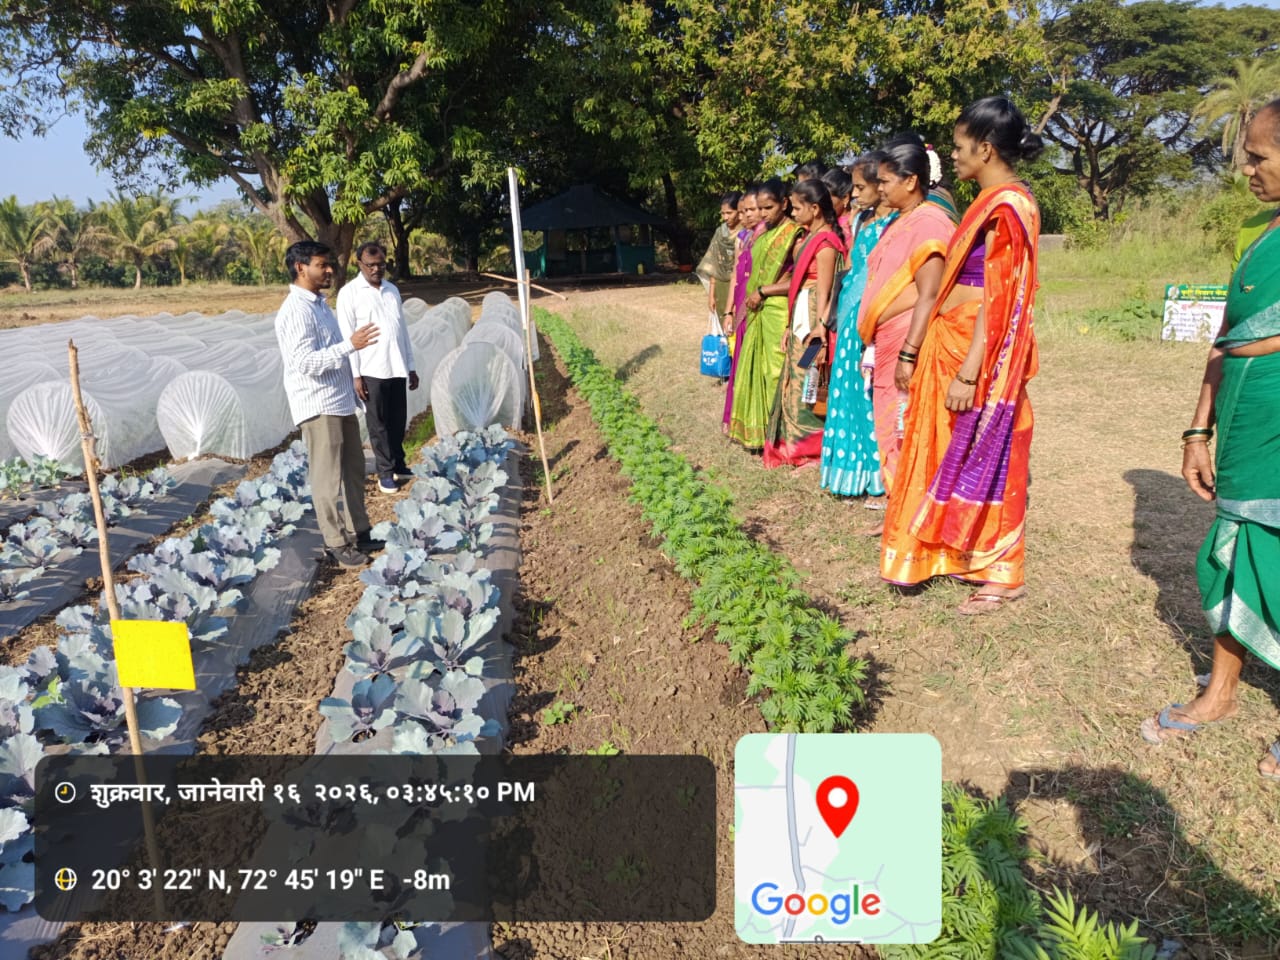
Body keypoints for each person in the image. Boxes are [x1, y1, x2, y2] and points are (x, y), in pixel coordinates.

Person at [1139, 99, 1280, 781]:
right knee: (1235, 548)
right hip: (1244, 421)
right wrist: (1198, 428)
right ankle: (1221, 691)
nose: (1247, 170)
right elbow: (1227, 337)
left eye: (1258, 157)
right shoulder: (1259, 233)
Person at [879, 97, 1043, 612]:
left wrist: (971, 371)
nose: (951, 156)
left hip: (975, 351)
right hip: (950, 340)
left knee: (986, 451)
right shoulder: (986, 201)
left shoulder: (1009, 207)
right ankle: (945, 551)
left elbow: (1002, 296)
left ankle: (1001, 570)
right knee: (944, 449)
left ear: (986, 148)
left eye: (958, 146)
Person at [856, 137, 955, 500]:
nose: (880, 188)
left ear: (911, 180)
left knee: (905, 426)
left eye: (885, 181)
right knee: (891, 426)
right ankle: (898, 507)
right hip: (888, 338)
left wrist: (908, 354)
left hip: (907, 339)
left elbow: (930, 293)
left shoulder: (930, 223)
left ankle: (910, 510)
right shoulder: (902, 220)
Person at [275, 240, 380, 568]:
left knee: (353, 470)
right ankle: (336, 543)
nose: (330, 270)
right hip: (319, 405)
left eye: (330, 264)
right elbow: (305, 362)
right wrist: (349, 345)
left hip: (339, 401)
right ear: (301, 268)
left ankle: (359, 531)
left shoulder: (320, 306)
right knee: (327, 477)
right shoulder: (296, 310)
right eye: (322, 265)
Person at [820, 152, 896, 498]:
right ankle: (851, 474)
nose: (854, 194)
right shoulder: (862, 219)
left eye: (861, 187)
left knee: (870, 392)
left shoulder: (897, 223)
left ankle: (879, 476)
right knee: (848, 389)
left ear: (882, 185)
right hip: (851, 310)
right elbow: (852, 266)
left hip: (875, 313)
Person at [763, 179, 847, 468]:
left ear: (815, 208)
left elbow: (825, 292)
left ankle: (810, 450)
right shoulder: (811, 237)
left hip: (814, 320)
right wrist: (789, 326)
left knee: (809, 378)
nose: (793, 213)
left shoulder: (826, 244)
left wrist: (820, 333)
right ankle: (791, 445)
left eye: (798, 208)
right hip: (801, 315)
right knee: (795, 377)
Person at [336, 241, 419, 494]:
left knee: (397, 420)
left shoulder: (392, 290)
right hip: (371, 369)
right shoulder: (349, 293)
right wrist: (356, 375)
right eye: (371, 265)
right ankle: (385, 472)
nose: (376, 269)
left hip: (396, 366)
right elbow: (347, 335)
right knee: (378, 423)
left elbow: (401, 331)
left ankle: (398, 464)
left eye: (381, 264)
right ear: (359, 264)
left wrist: (411, 366)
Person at [728, 179, 801, 449]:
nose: (762, 214)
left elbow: (801, 279)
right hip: (758, 310)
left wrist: (764, 290)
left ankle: (778, 436)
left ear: (784, 203)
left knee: (774, 372)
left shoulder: (795, 235)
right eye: (759, 208)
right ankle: (757, 434)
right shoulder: (763, 234)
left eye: (768, 208)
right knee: (754, 369)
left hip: (778, 309)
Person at [723, 187, 763, 433]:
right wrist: (728, 311)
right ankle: (735, 418)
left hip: (760, 307)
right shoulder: (743, 238)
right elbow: (735, 276)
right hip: (741, 305)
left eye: (751, 209)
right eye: (743, 211)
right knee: (739, 359)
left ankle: (754, 422)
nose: (746, 215)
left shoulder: (771, 237)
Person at [697, 192, 742, 326]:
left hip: (739, 286)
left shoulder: (746, 233)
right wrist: (711, 295)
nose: (725, 217)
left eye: (729, 213)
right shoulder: (720, 232)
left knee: (738, 327)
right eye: (723, 213)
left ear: (739, 211)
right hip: (720, 287)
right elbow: (714, 265)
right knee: (724, 328)